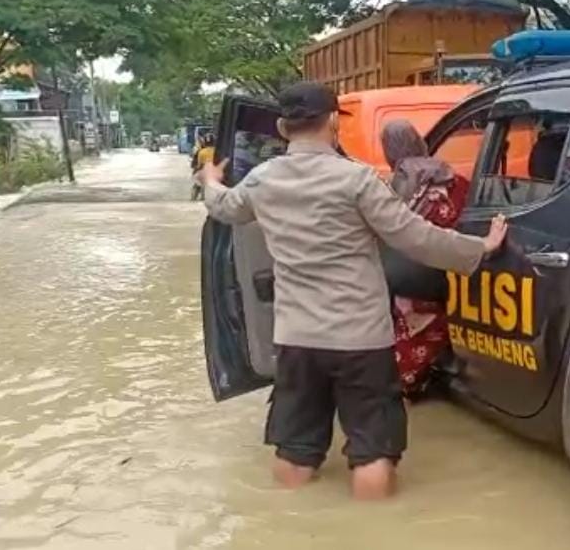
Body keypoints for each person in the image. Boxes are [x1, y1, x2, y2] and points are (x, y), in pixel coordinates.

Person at [199, 82, 507, 499]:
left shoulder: (262, 180)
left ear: (281, 128)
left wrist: (210, 180)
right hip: (360, 339)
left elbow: (223, 207)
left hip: (296, 338)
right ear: (332, 122)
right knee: (372, 452)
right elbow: (417, 238)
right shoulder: (357, 179)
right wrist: (480, 247)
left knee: (294, 451)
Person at [379, 120, 469, 399]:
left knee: (412, 328)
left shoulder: (389, 185)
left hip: (410, 274)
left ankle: (411, 384)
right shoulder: (454, 177)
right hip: (453, 265)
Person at [190, 134, 215, 201]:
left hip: (204, 172)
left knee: (196, 183)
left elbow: (199, 165)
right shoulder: (217, 151)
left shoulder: (201, 152)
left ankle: (193, 198)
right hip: (214, 172)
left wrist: (194, 171)